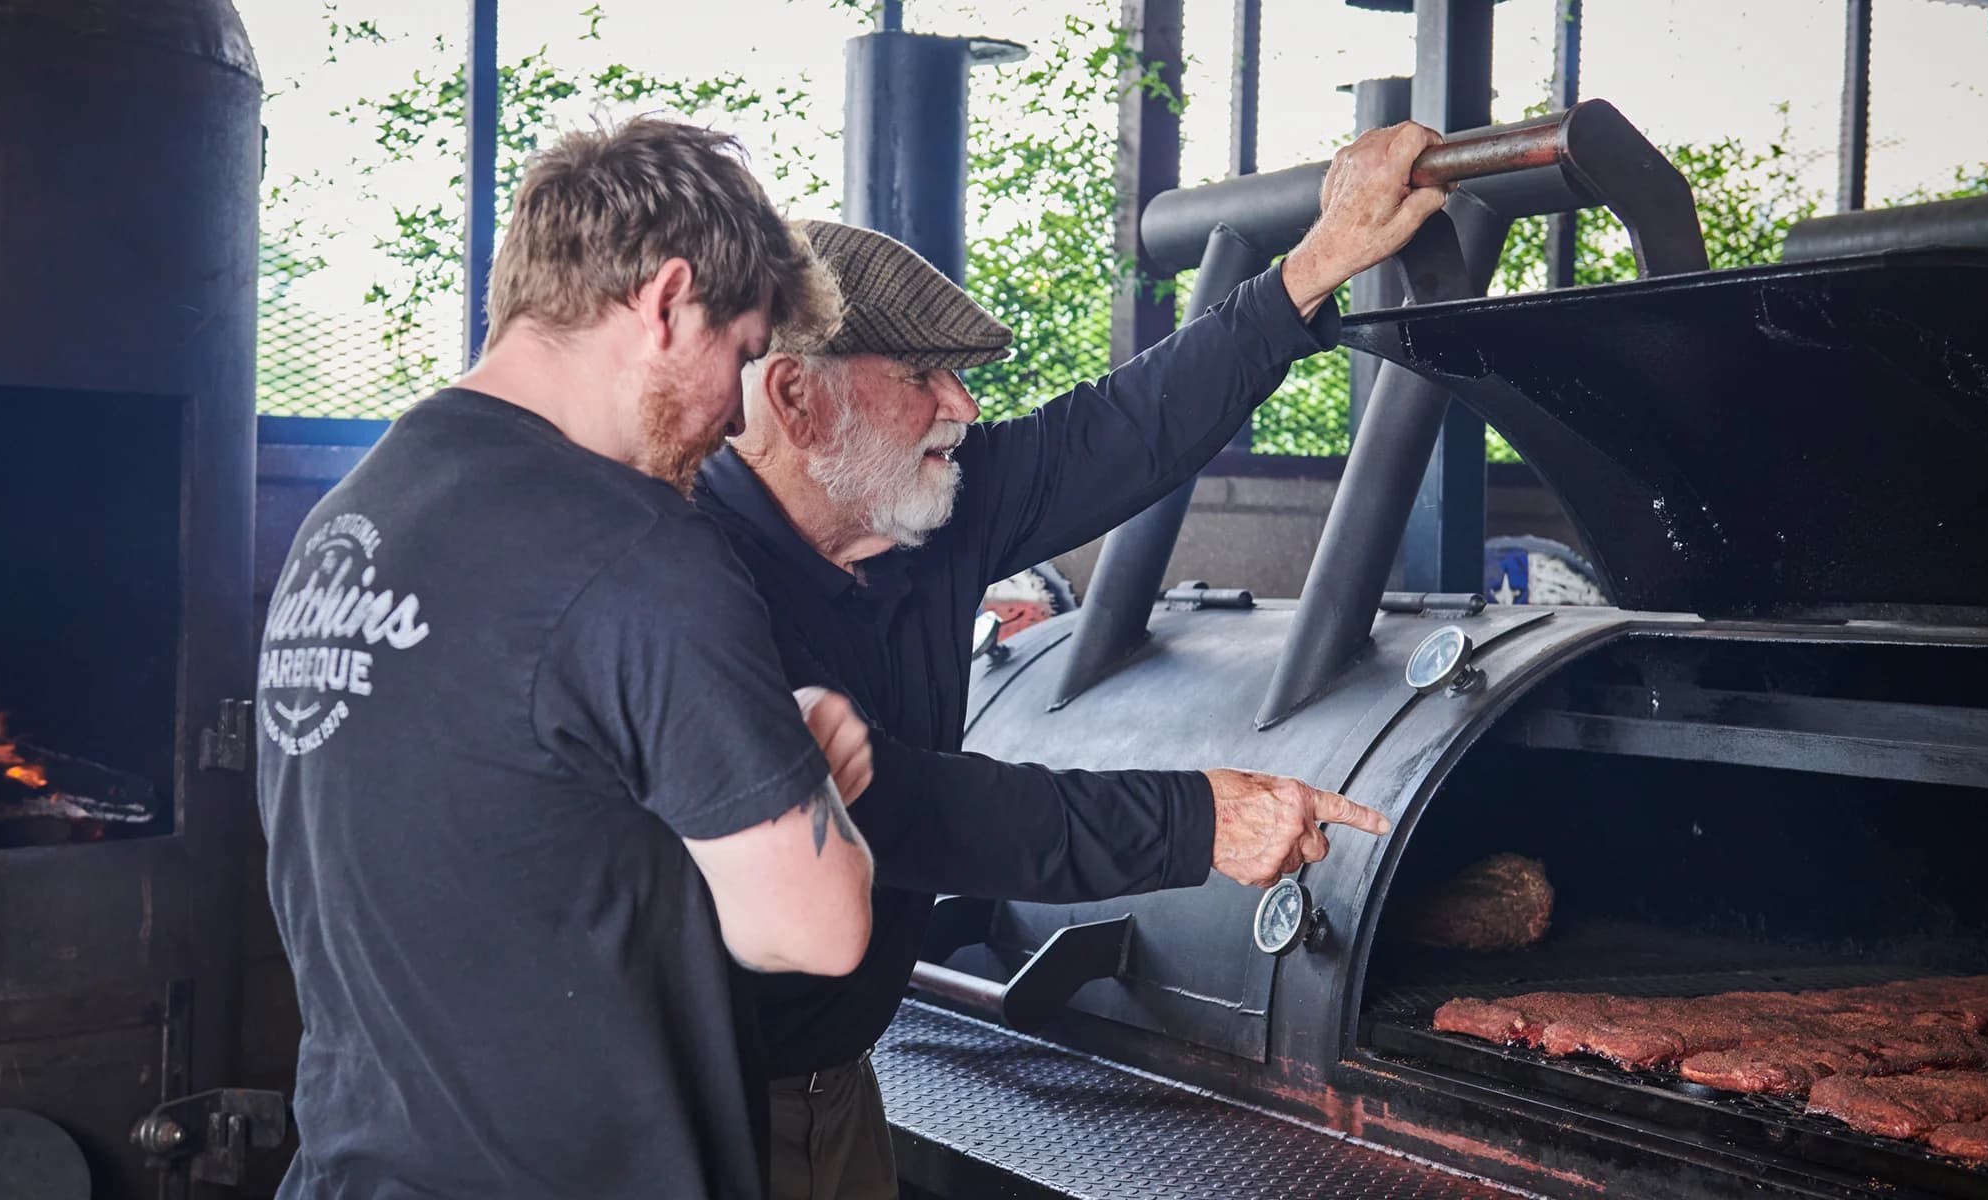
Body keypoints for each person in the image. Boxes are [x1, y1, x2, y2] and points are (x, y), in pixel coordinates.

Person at [691, 121, 1451, 1200]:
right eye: (922, 375)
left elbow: (1122, 430)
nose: (963, 406)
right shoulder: (683, 577)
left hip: (836, 1081)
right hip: (691, 1111)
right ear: (796, 399)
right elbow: (904, 815)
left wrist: (1319, 263)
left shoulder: (912, 508)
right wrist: (1199, 818)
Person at [256, 117, 881, 1200]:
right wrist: (806, 768)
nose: (739, 414)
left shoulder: (347, 523)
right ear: (666, 299)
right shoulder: (639, 548)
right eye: (739, 356)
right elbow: (816, 931)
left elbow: (511, 817)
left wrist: (720, 754)